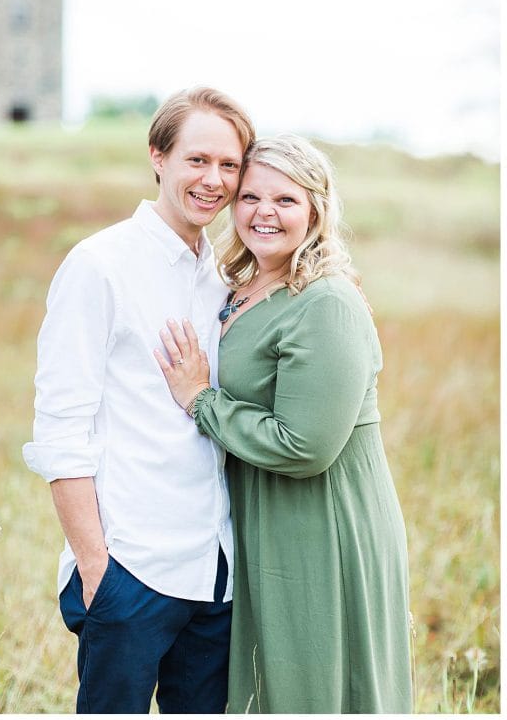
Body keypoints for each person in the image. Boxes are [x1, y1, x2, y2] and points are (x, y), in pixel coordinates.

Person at [155, 134, 412, 712]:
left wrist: (201, 401)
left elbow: (306, 446)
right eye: (249, 197)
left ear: (316, 210)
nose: (263, 213)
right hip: (259, 514)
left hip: (320, 520)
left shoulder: (326, 303)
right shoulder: (239, 286)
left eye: (285, 201)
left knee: (313, 684)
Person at [19, 88, 254, 712]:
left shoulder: (226, 277)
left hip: (214, 572)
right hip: (132, 571)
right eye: (197, 160)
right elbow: (61, 432)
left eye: (229, 165)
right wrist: (98, 573)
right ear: (158, 156)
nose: (213, 180)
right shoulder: (99, 265)